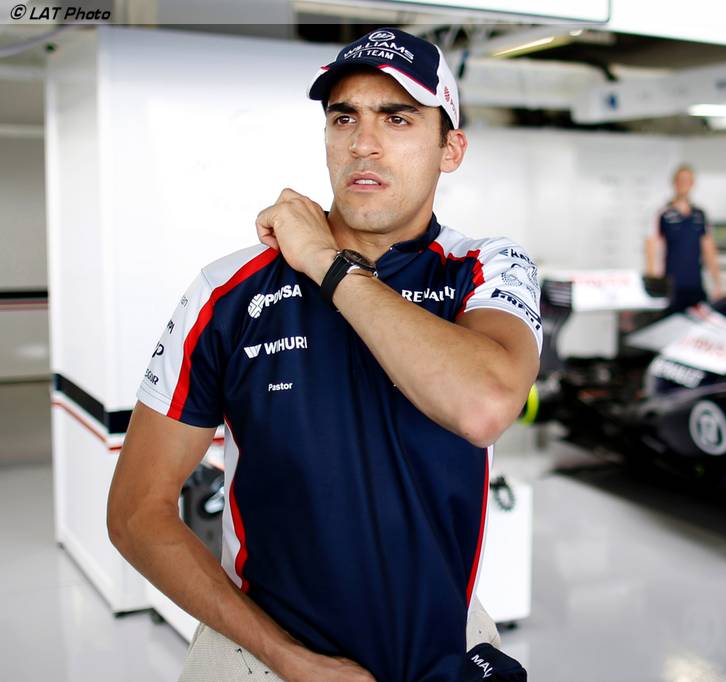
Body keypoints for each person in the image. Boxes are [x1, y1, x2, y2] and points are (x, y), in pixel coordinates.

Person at [107, 28, 541, 682]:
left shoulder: (485, 268)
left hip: (442, 642)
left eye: (397, 118)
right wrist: (289, 660)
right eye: (344, 118)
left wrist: (326, 264)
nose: (363, 143)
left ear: (450, 149)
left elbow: (484, 404)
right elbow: (135, 512)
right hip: (260, 658)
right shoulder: (228, 292)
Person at [644, 164, 724, 312]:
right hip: (671, 285)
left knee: (699, 323)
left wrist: (718, 284)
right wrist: (653, 283)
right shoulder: (662, 213)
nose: (684, 184)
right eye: (680, 180)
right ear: (674, 183)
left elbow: (709, 250)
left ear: (693, 184)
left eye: (688, 181)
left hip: (695, 284)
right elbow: (651, 247)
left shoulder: (700, 214)